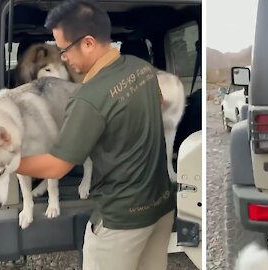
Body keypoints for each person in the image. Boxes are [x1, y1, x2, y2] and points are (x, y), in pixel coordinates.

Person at [16, 0, 175, 269]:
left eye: (64, 49)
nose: (62, 57)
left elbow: (56, 166)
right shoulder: (143, 68)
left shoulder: (88, 99)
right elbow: (158, 104)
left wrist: (7, 163)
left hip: (121, 223)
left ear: (88, 43)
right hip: (161, 209)